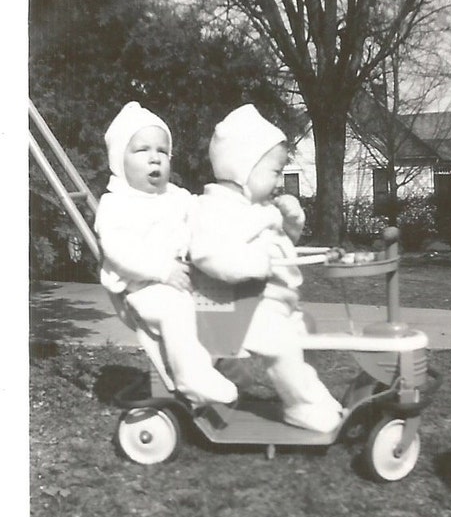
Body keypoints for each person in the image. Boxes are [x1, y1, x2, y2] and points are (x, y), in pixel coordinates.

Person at [190, 104, 344, 433]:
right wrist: (254, 264)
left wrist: (290, 222)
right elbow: (207, 254)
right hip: (238, 304)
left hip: (273, 301)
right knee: (282, 344)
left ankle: (312, 394)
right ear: (245, 168)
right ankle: (300, 406)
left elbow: (281, 248)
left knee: (304, 336)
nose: (279, 180)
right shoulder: (214, 210)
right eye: (275, 171)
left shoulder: (257, 207)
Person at [94, 101, 238, 405]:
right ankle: (190, 376)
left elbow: (200, 213)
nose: (154, 158)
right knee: (176, 310)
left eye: (162, 150)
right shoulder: (116, 204)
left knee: (225, 298)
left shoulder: (175, 196)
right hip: (143, 288)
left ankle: (219, 363)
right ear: (119, 160)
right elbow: (119, 250)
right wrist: (162, 270)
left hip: (178, 279)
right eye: (142, 150)